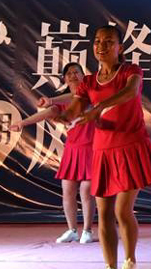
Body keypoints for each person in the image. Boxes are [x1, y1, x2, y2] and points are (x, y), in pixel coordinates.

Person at [59, 25, 151, 269]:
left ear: (120, 47)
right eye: (97, 41)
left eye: (108, 41)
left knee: (122, 210)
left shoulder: (131, 72)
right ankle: (110, 268)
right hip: (102, 151)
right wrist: (59, 115)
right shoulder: (88, 82)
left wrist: (98, 109)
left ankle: (130, 262)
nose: (101, 46)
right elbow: (74, 109)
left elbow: (129, 93)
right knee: (104, 211)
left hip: (131, 147)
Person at [12, 62, 96, 244]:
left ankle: (87, 230)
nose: (73, 76)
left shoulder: (90, 95)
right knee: (68, 191)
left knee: (86, 191)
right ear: (65, 79)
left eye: (76, 72)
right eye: (69, 74)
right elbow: (48, 112)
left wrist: (51, 100)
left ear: (83, 76)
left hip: (92, 149)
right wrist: (22, 123)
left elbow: (76, 96)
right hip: (72, 150)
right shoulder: (61, 104)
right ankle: (72, 230)